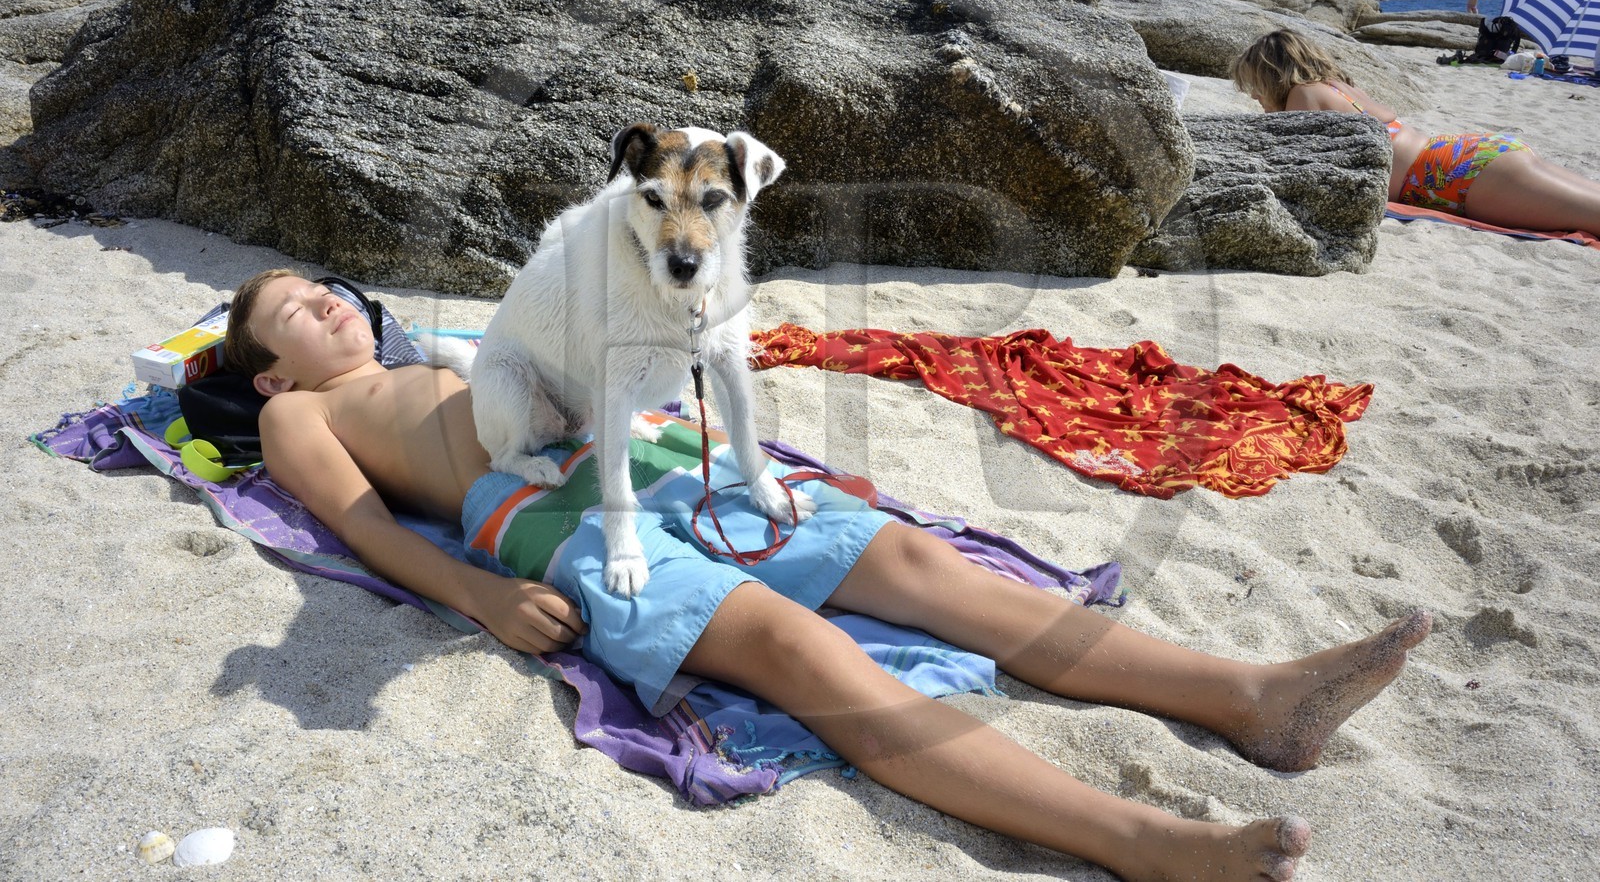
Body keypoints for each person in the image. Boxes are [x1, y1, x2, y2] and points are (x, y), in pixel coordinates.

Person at [227, 268, 1434, 882]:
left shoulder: (425, 347)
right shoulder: (303, 416)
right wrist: (481, 596)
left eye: (326, 287)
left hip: (639, 461)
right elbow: (368, 533)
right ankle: (1144, 841)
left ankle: (1248, 700)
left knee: (908, 558)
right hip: (549, 523)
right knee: (804, 654)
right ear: (269, 373)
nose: (325, 301)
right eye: (290, 306)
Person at [1233, 29, 1600, 234]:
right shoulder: (1336, 85)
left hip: (1451, 178)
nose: (1255, 96)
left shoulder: (1303, 95)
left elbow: (1300, 171)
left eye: (1255, 86)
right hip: (1468, 153)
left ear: (1272, 75)